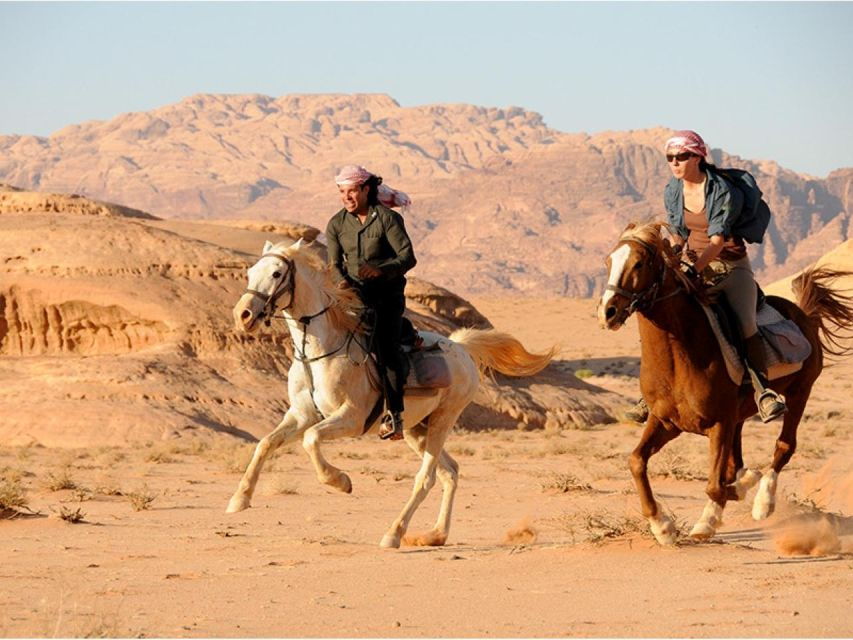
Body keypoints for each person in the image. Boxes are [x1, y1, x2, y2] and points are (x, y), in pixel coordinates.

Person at [628, 130, 786, 424]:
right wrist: (674, 257)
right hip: (693, 265)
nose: (675, 163)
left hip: (730, 267)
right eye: (670, 158)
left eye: (681, 156)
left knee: (745, 323)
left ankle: (763, 391)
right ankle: (652, 395)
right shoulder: (673, 189)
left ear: (698, 157)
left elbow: (717, 241)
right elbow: (679, 234)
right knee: (663, 317)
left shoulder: (721, 190)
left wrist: (694, 269)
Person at [325, 165, 417, 440]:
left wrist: (382, 270)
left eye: (352, 191)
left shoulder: (388, 219)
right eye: (342, 192)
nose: (347, 197)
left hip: (387, 297)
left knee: (385, 349)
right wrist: (342, 284)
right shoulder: (336, 224)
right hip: (353, 298)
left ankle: (395, 415)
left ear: (366, 189)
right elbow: (334, 264)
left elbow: (407, 257)